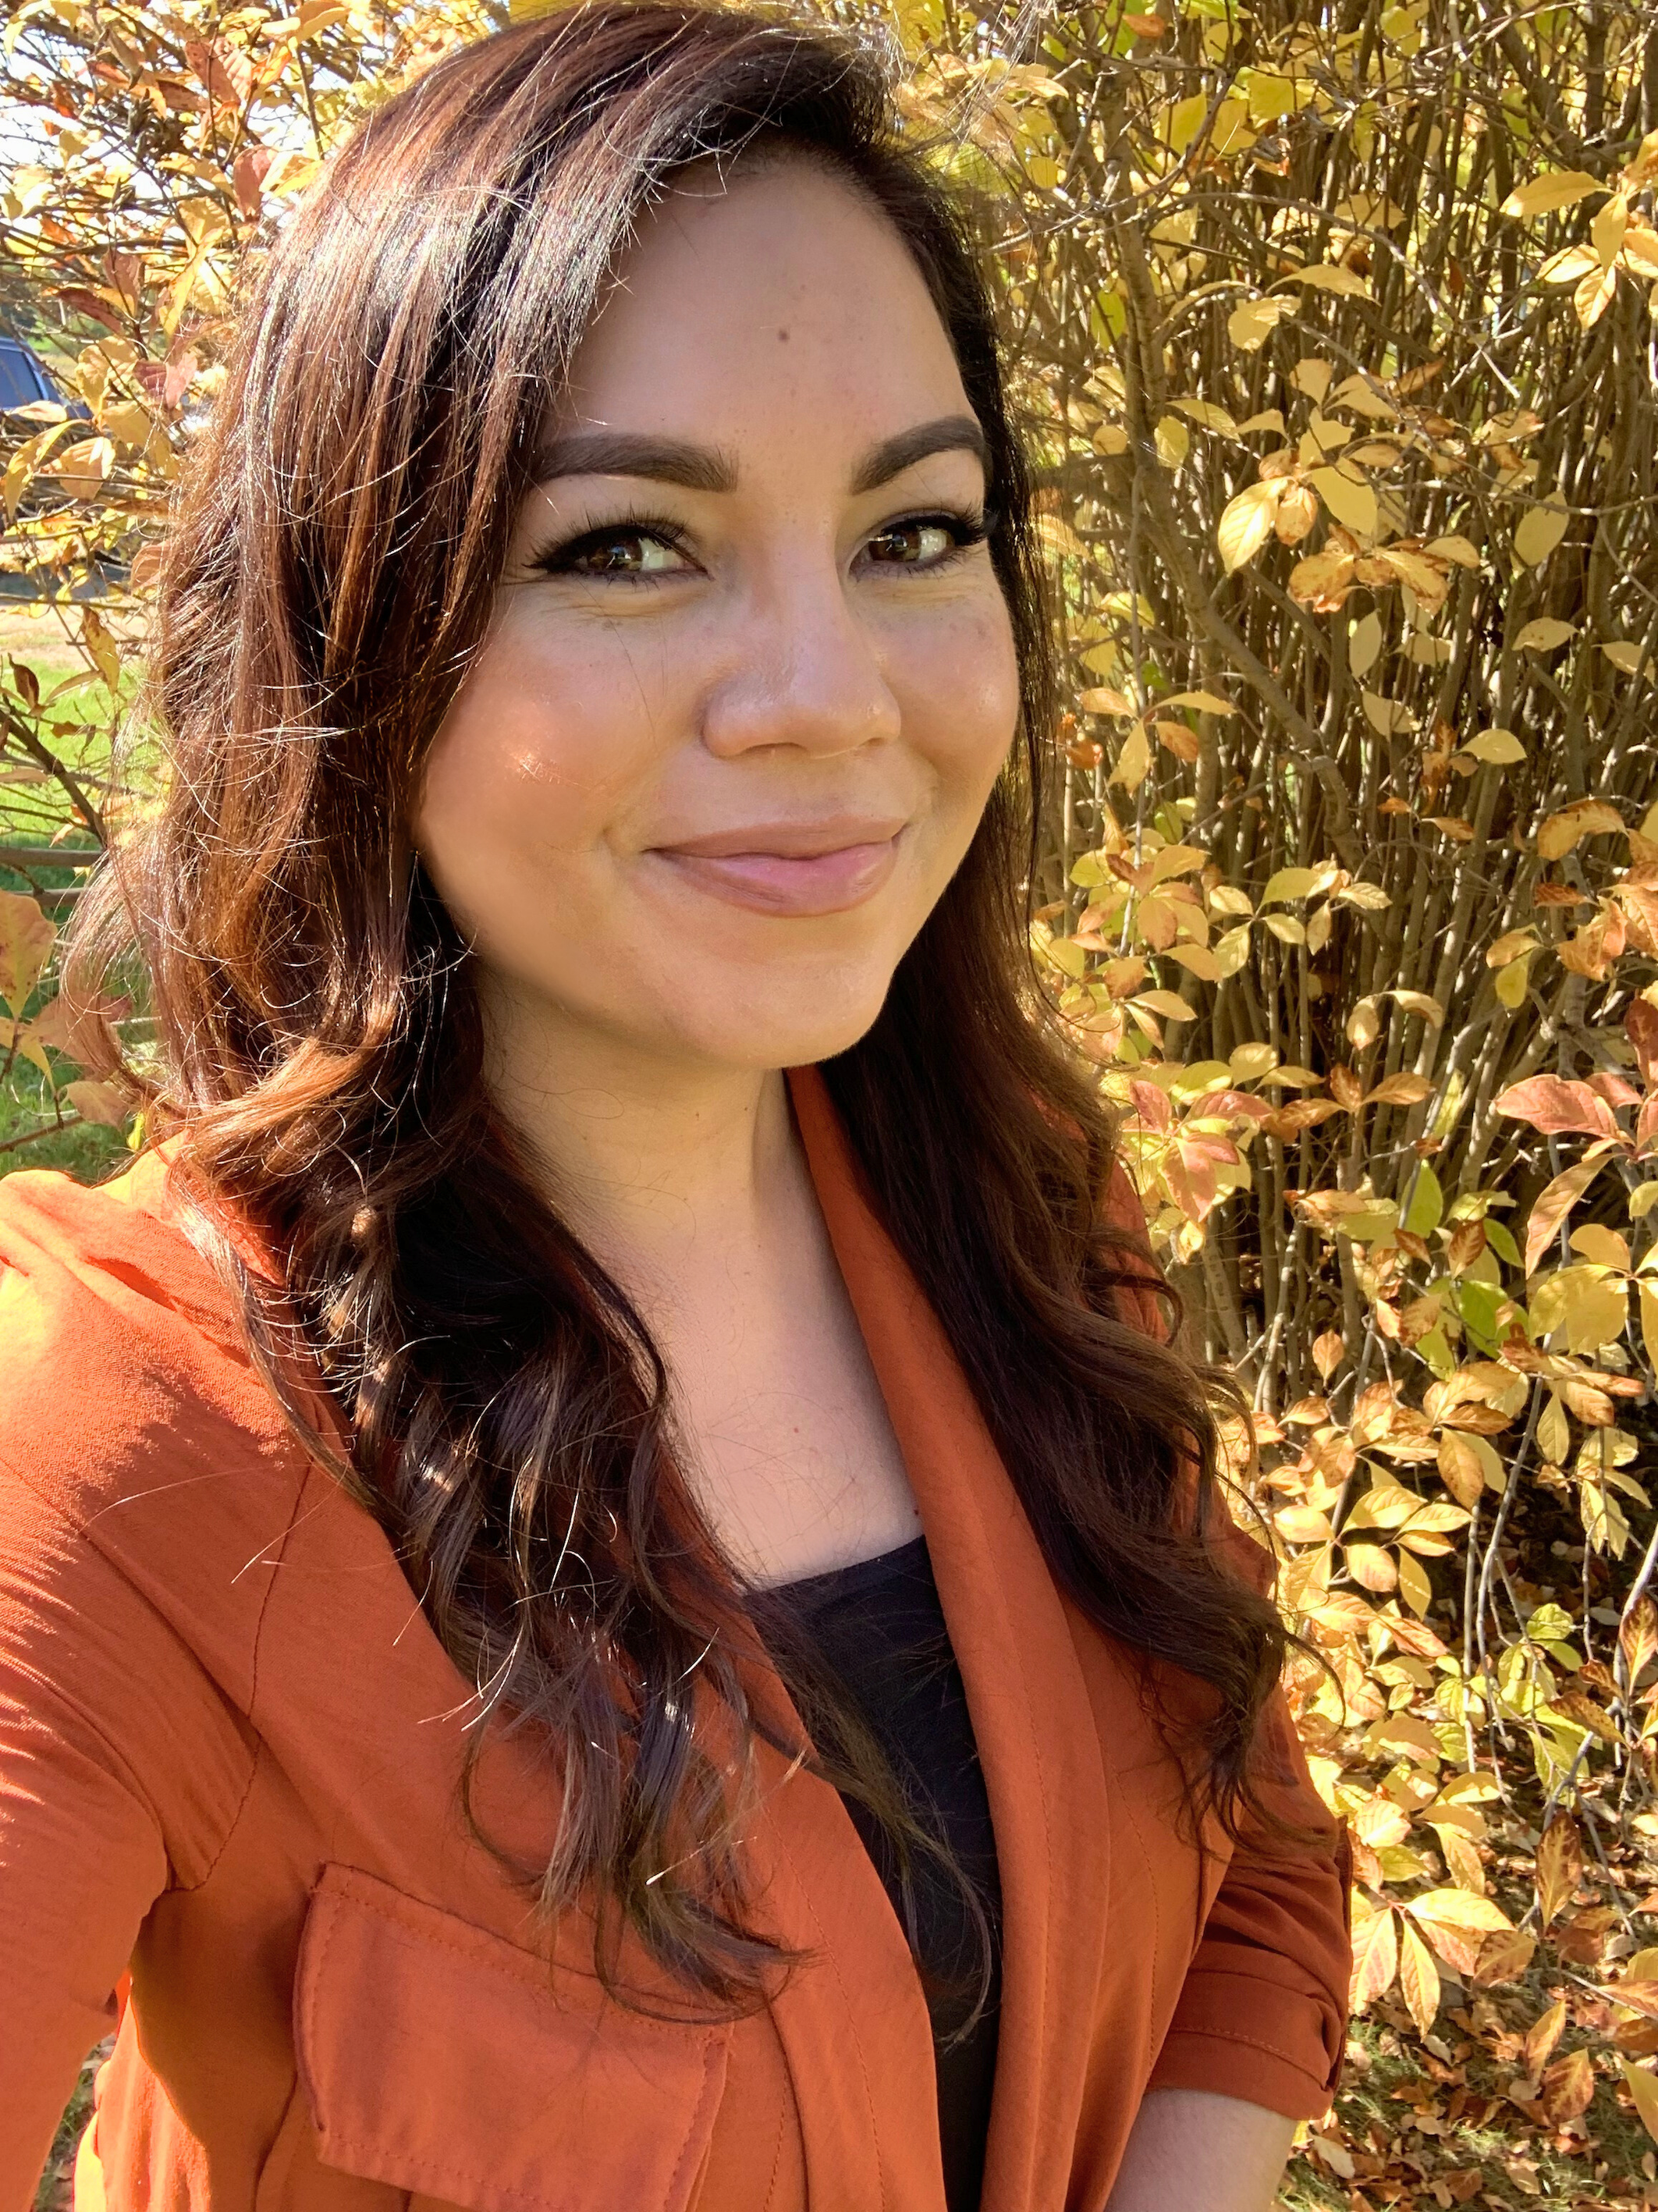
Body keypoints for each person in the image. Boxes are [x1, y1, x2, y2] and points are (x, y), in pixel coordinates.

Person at [0, 9, 1351, 2209]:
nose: (829, 699)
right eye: (627, 547)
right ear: (355, 635)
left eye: (916, 532)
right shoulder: (132, 1447)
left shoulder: (1013, 1217)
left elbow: (1258, 1878)